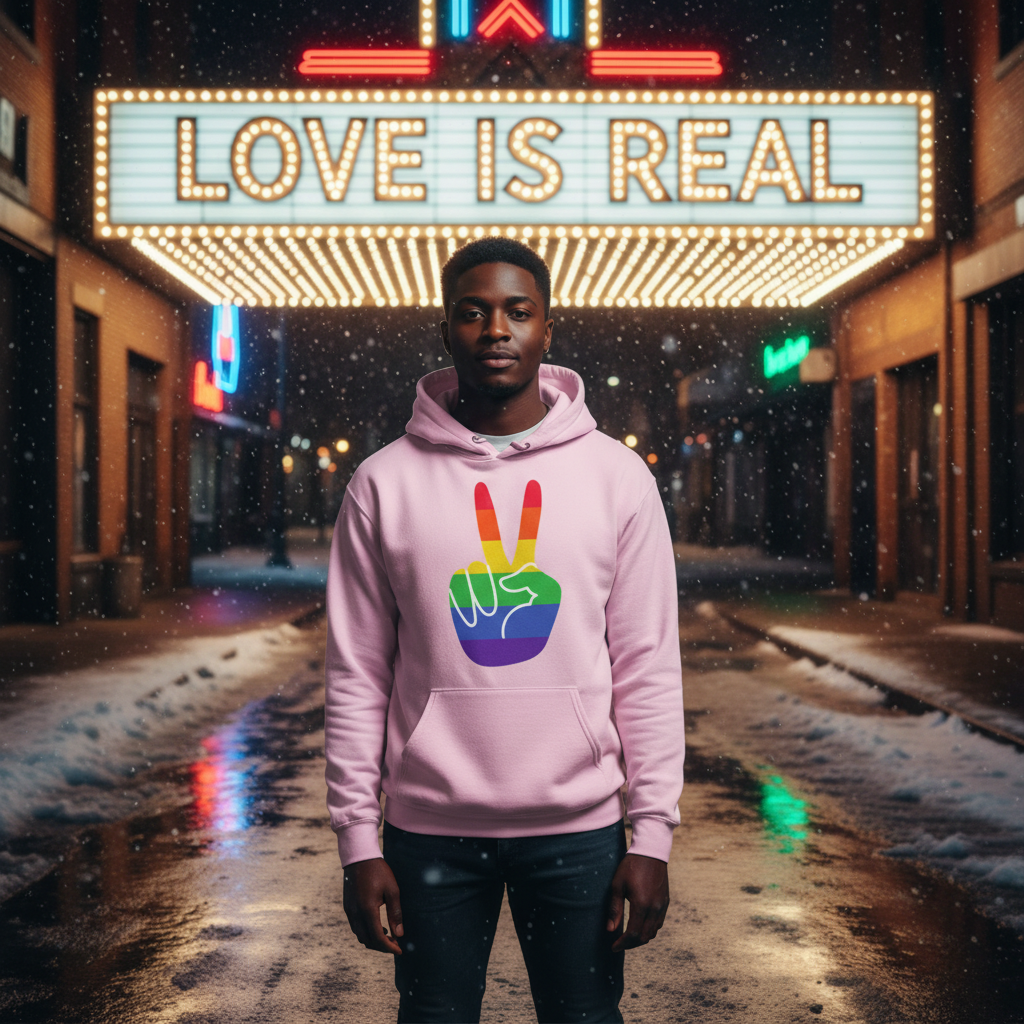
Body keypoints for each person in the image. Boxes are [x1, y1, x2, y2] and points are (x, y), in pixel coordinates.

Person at [324, 237, 685, 1024]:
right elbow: (357, 672)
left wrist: (651, 835)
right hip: (429, 832)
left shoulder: (616, 478)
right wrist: (358, 841)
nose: (496, 329)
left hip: (579, 831)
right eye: (474, 312)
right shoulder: (383, 483)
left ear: (547, 329)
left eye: (518, 312)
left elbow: (648, 665)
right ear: (446, 331)